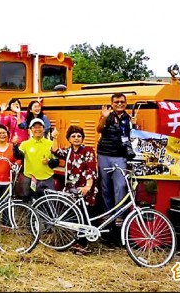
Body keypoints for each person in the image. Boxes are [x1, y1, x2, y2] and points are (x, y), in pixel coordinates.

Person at [51, 125, 98, 255]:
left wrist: (88, 186)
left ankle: (82, 244)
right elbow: (55, 151)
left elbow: (90, 169)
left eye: (79, 136)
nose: (76, 138)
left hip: (83, 188)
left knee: (83, 215)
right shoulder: (69, 151)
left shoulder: (88, 150)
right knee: (72, 215)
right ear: (69, 139)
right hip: (71, 189)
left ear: (83, 138)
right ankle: (70, 240)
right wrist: (54, 137)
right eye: (73, 136)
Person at [96, 92, 136, 227]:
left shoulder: (129, 118)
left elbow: (132, 137)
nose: (119, 104)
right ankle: (107, 213)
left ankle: (119, 215)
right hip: (104, 155)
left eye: (122, 102)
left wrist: (134, 126)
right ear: (112, 104)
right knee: (105, 186)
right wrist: (104, 117)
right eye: (116, 102)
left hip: (120, 156)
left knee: (120, 187)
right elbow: (99, 129)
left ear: (126, 103)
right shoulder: (107, 116)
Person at [12, 118, 56, 202]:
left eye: (40, 127)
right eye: (35, 127)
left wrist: (49, 161)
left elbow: (56, 161)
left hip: (47, 178)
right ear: (30, 129)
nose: (37, 129)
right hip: (30, 179)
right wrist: (14, 146)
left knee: (50, 204)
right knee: (30, 204)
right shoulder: (25, 144)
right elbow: (18, 156)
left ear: (44, 128)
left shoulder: (50, 143)